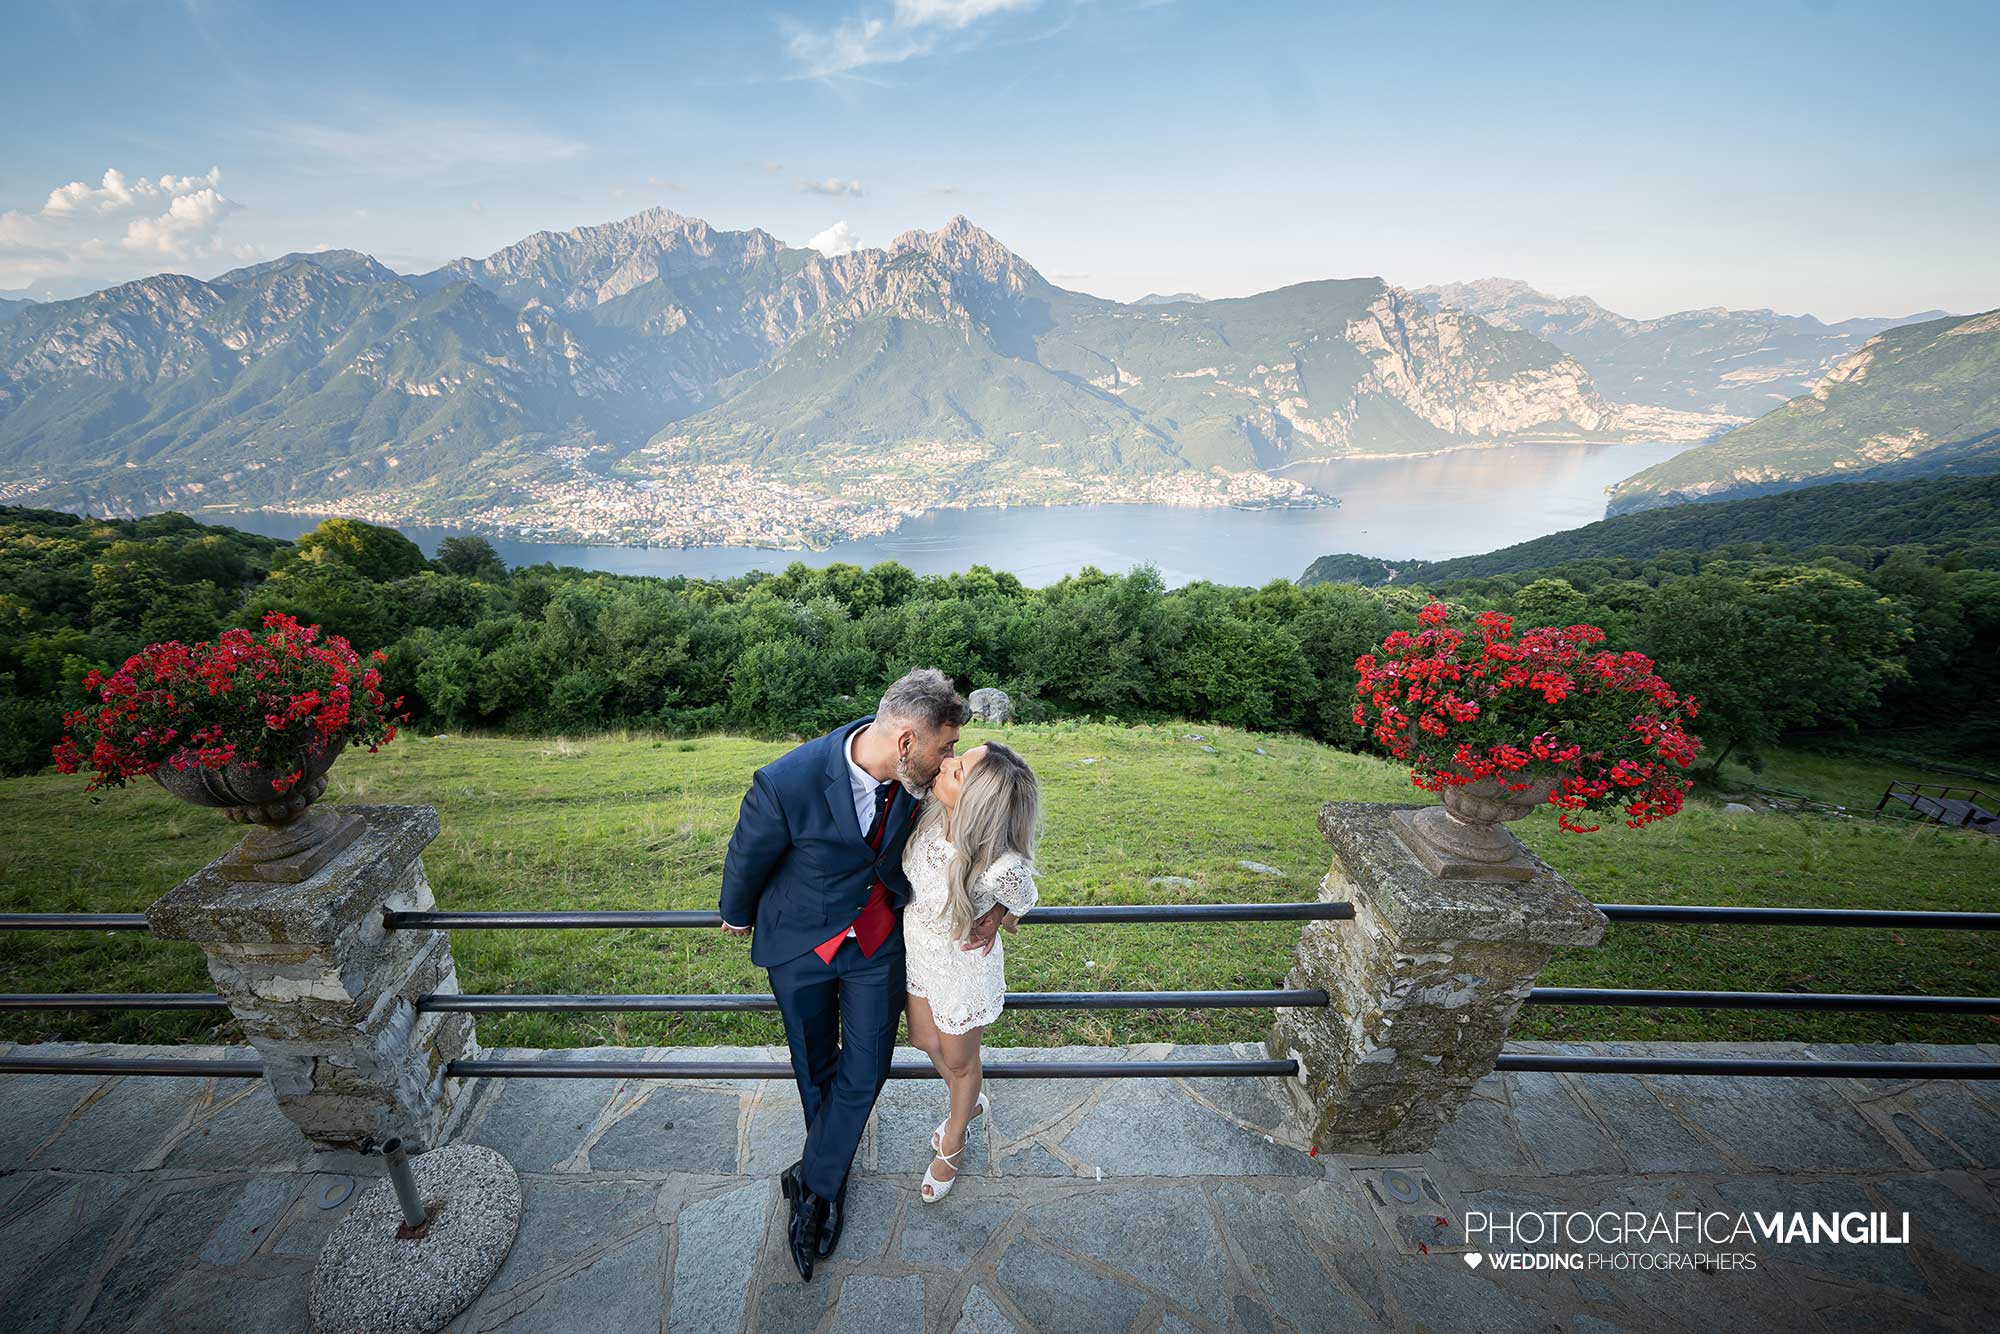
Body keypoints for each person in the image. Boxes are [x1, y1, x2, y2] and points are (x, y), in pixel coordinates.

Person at [716, 668, 1008, 1280]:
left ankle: (814, 1184)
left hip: (877, 945)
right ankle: (828, 1187)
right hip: (801, 946)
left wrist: (1002, 902)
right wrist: (736, 916)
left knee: (868, 1062)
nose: (949, 758)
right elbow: (748, 854)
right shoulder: (785, 781)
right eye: (946, 747)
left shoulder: (925, 782)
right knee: (813, 1061)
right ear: (906, 742)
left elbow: (1002, 811)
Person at [901, 740, 1041, 1202]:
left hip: (962, 969)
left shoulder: (999, 866)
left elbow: (1026, 897)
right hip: (920, 955)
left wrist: (998, 914)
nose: (944, 763)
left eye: (957, 771)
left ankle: (955, 1136)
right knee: (923, 1039)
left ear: (977, 805)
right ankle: (970, 1097)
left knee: (961, 1062)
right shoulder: (931, 813)